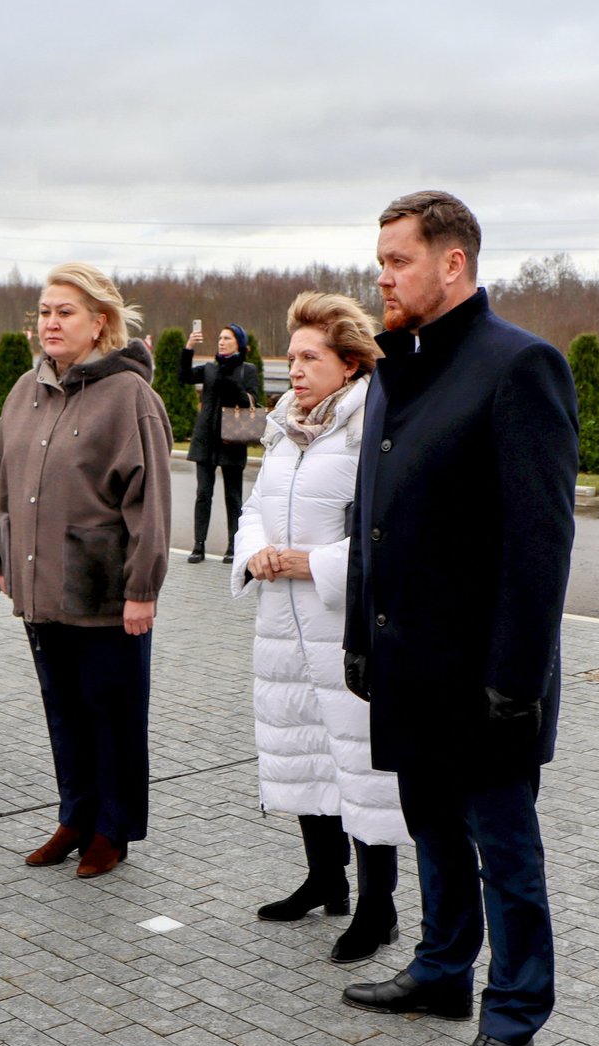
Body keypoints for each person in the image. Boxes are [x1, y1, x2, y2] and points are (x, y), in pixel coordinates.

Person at [338, 192, 578, 1046]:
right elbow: (374, 524)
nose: (382, 277)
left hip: (485, 681)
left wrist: (516, 680)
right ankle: (441, 969)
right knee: (432, 829)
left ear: (452, 263)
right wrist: (364, 636)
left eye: (397, 260)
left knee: (505, 854)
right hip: (410, 665)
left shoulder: (518, 366)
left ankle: (513, 1016)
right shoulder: (400, 368)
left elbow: (541, 538)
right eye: (380, 261)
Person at [234, 292, 405, 965]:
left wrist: (316, 563)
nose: (295, 371)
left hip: (344, 625)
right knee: (301, 749)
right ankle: (325, 879)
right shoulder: (284, 428)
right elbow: (254, 507)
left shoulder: (370, 429)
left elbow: (386, 533)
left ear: (351, 364)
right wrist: (257, 554)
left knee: (360, 768)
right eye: (291, 357)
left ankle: (378, 909)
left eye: (311, 358)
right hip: (281, 621)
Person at [0, 263, 171, 878]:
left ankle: (113, 831)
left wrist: (142, 589)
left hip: (104, 589)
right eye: (44, 311)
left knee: (111, 712)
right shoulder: (23, 391)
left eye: (65, 311)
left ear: (100, 322)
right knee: (63, 707)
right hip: (41, 585)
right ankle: (76, 815)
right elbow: (3, 487)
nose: (51, 322)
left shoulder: (129, 396)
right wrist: (3, 557)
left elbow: (149, 501)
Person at [180, 321, 261, 562]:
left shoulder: (248, 370)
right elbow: (183, 376)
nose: (221, 342)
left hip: (233, 441)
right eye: (220, 338)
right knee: (203, 494)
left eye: (227, 338)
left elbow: (251, 402)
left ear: (239, 344)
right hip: (205, 439)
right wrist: (189, 347)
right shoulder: (209, 368)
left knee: (233, 496)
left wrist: (231, 378)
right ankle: (198, 546)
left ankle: (233, 547)